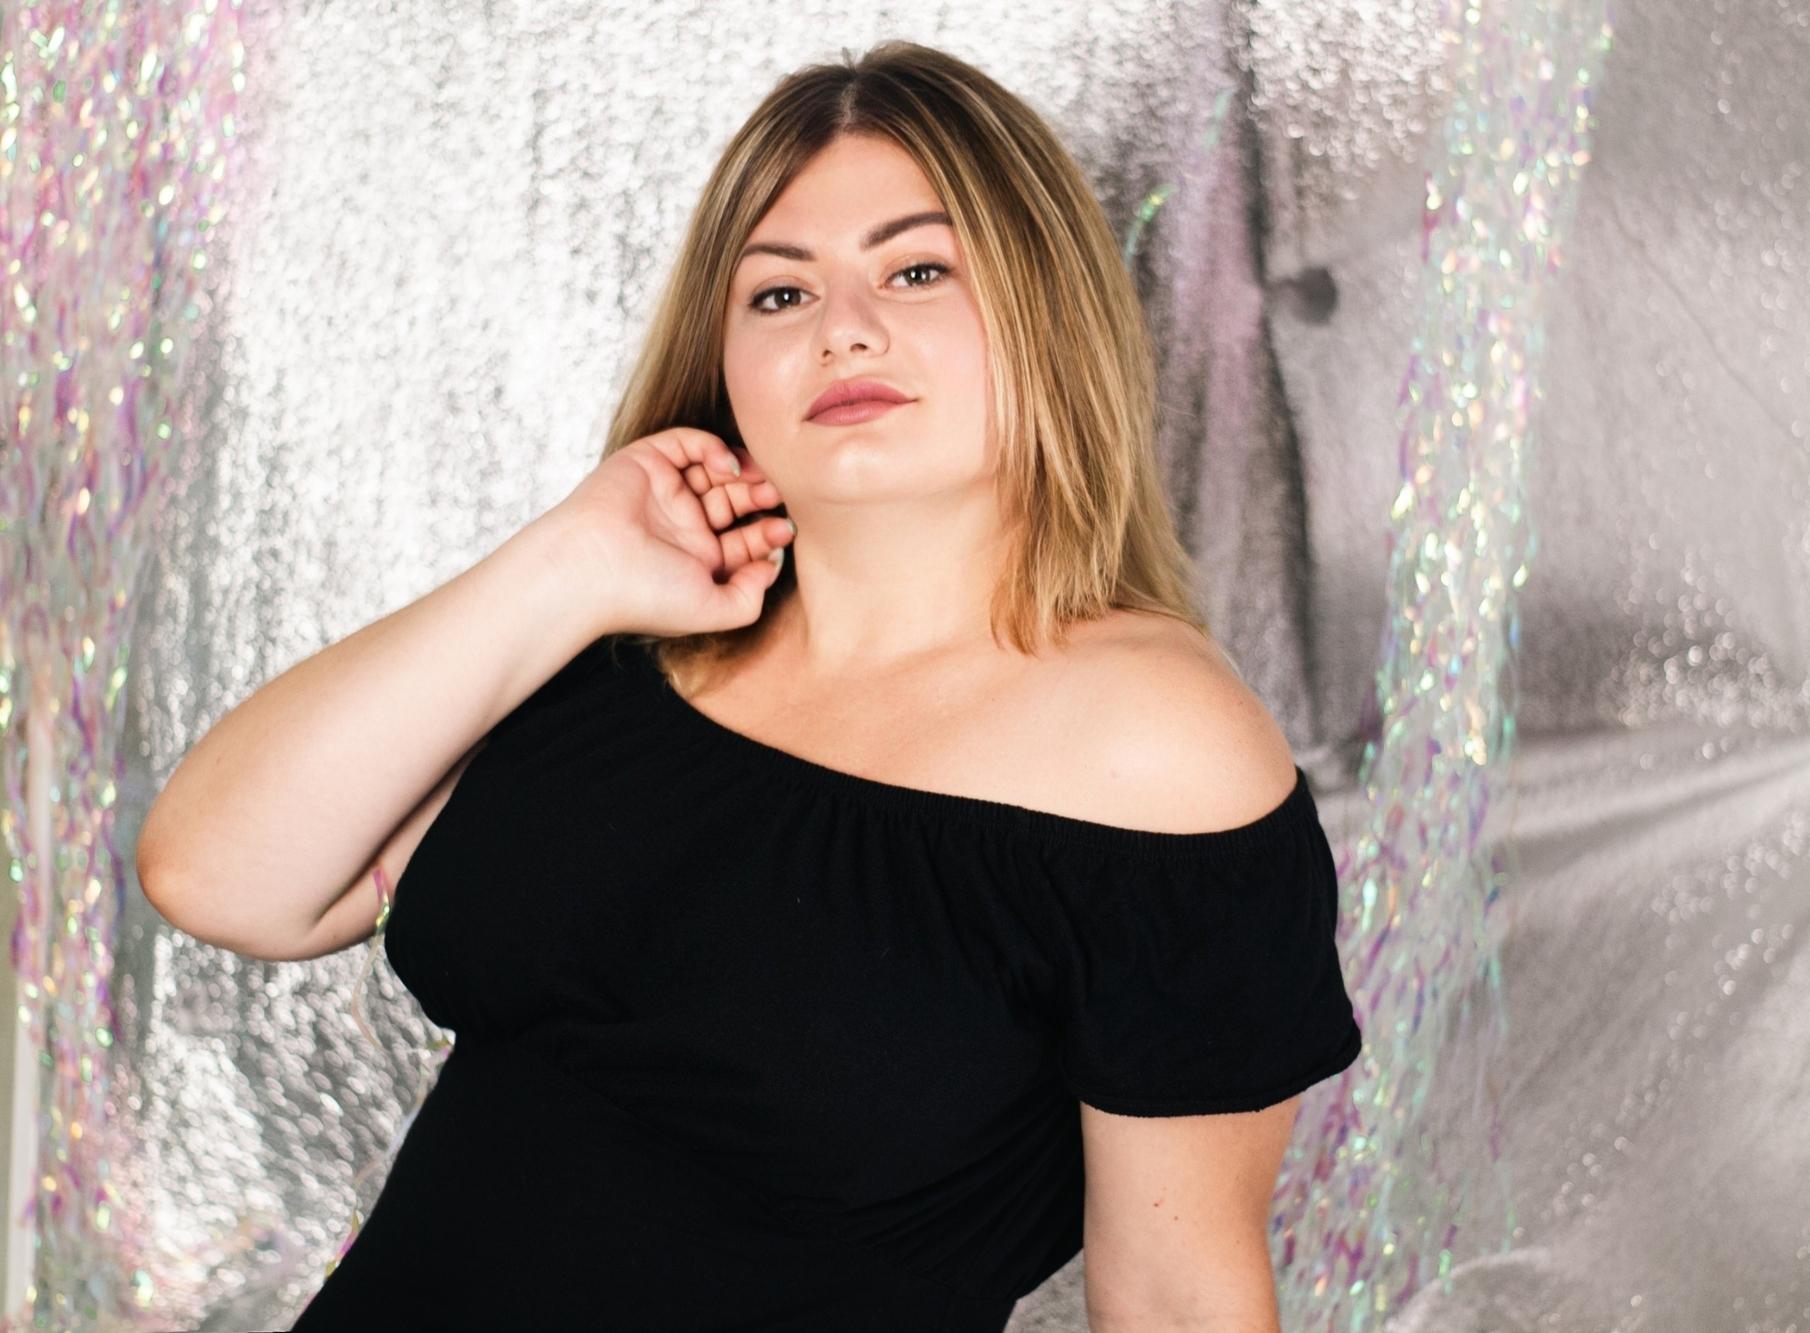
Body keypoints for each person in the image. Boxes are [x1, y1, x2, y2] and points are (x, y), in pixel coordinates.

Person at [138, 38, 1363, 1333]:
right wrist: (563, 563)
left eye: (918, 269)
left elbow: (1177, 1300)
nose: (844, 327)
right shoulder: (615, 656)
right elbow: (218, 877)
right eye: (780, 293)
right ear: (724, 360)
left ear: (1046, 308)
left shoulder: (1157, 745)